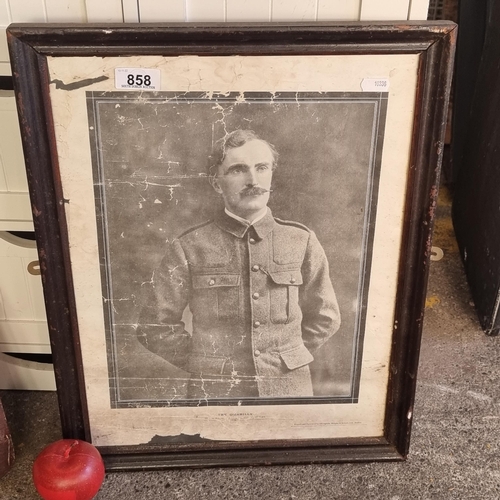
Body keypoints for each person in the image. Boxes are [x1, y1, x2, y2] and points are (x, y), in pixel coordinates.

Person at [137, 129, 340, 399]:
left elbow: (326, 316)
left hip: (289, 390)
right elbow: (154, 326)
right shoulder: (189, 246)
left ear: (271, 175)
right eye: (238, 170)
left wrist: (288, 356)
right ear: (216, 182)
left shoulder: (301, 240)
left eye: (262, 168)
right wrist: (206, 362)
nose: (253, 180)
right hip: (216, 394)